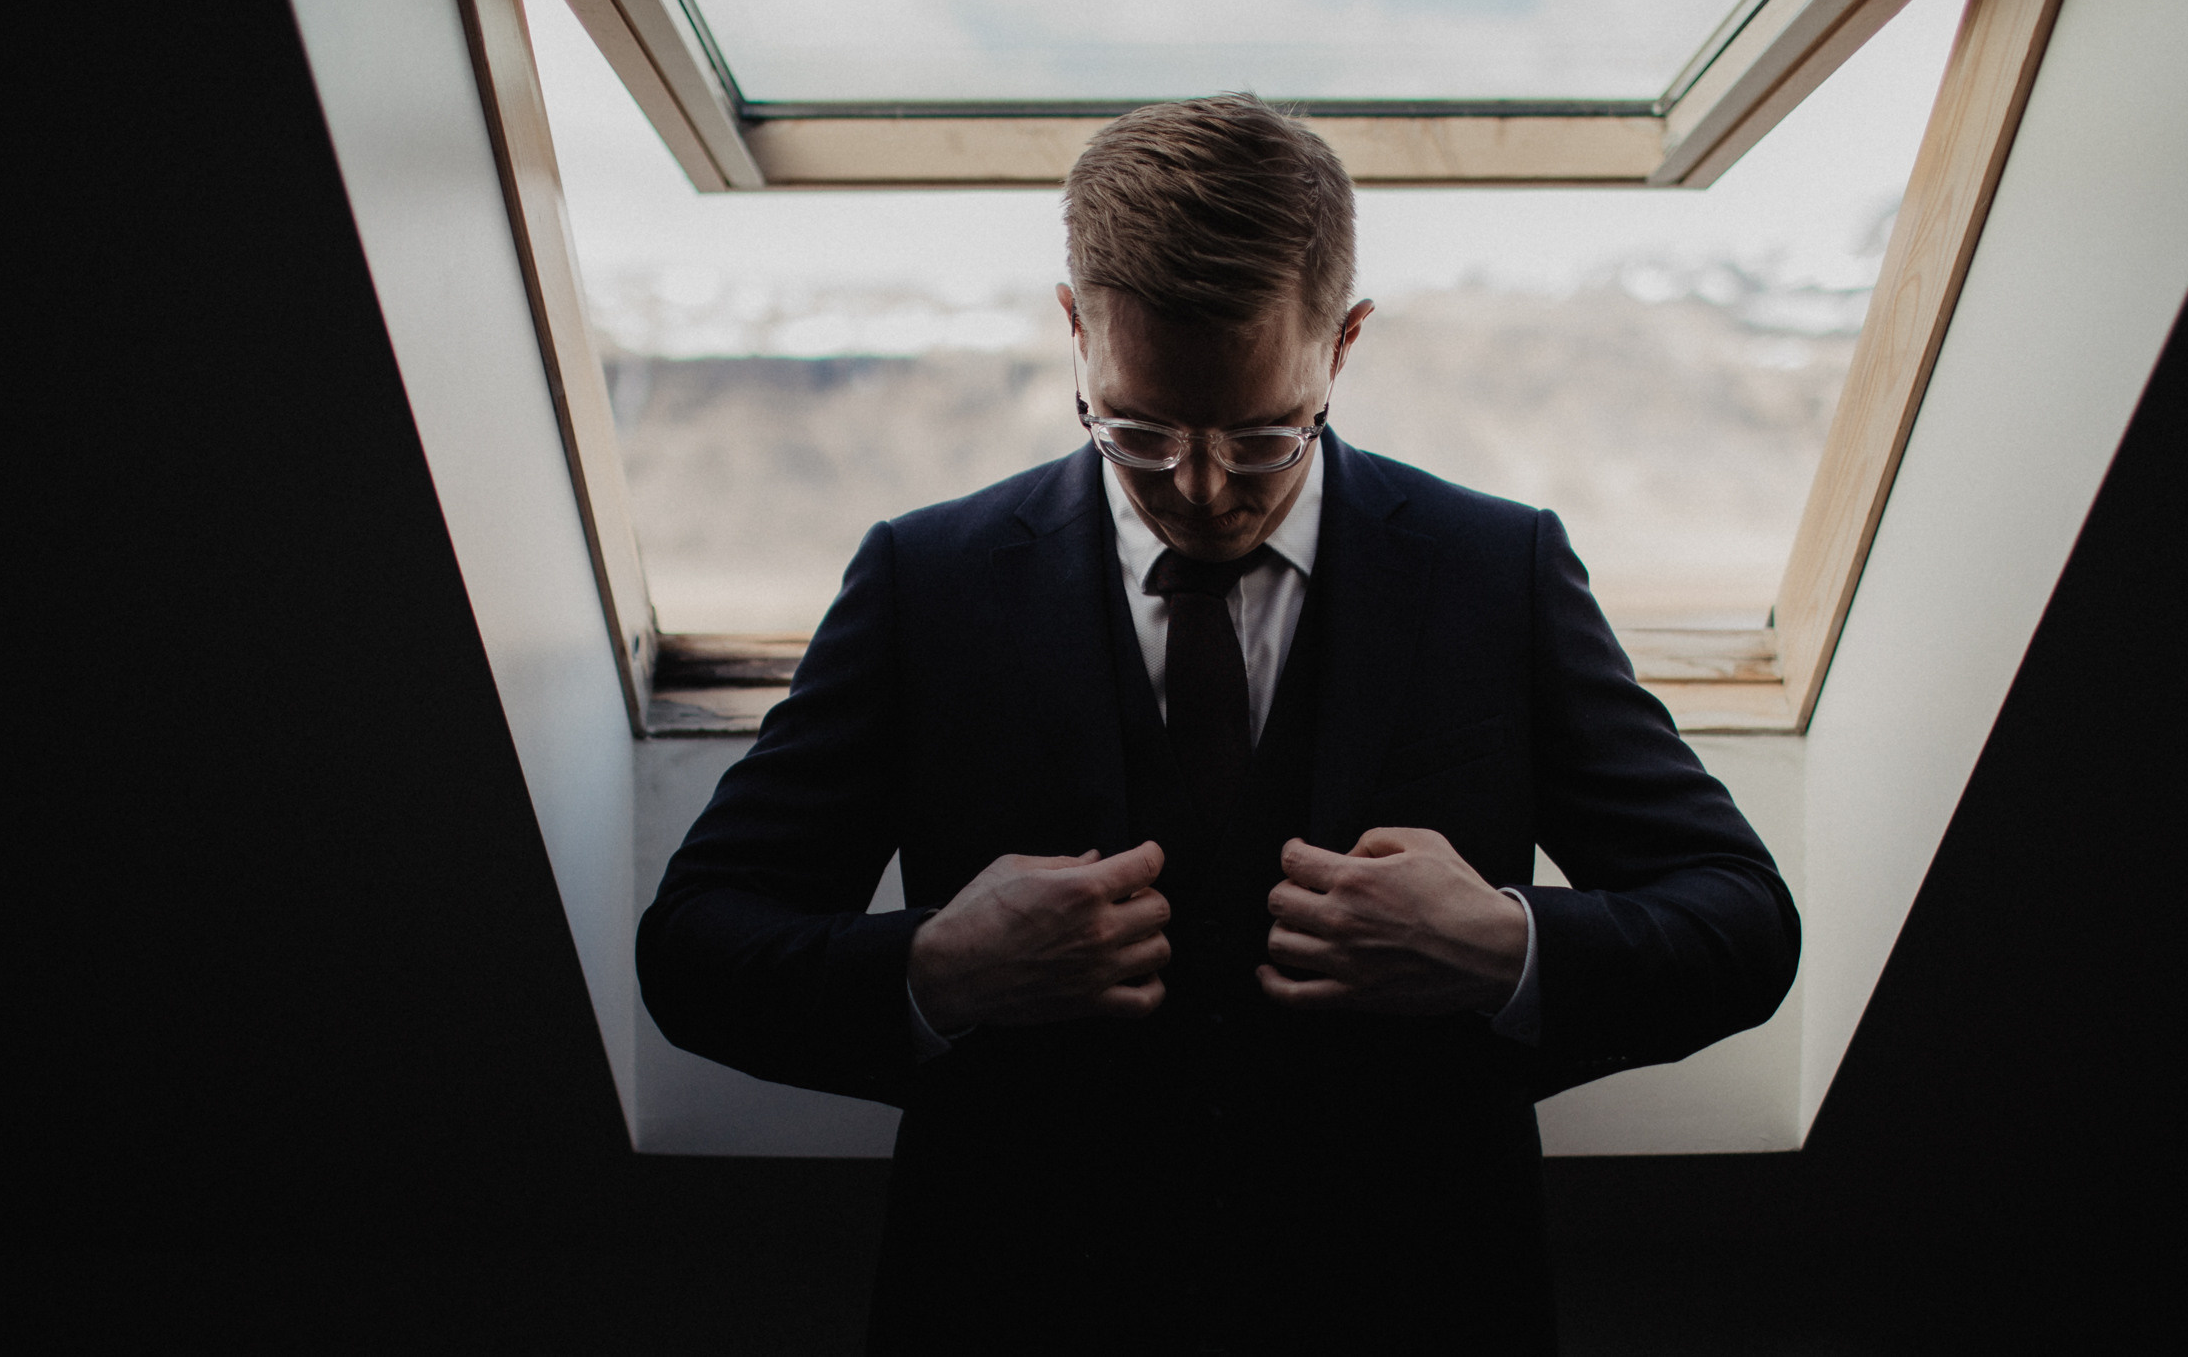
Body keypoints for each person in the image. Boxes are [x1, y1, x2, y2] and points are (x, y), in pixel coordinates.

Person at [637, 93, 1800, 1355]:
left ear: (1344, 343)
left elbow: (1741, 919)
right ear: (1074, 329)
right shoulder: (927, 581)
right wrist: (939, 970)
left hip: (1418, 1311)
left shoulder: (1495, 570)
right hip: (1015, 1311)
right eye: (1137, 432)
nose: (1199, 486)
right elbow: (696, 947)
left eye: (1262, 437)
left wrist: (1503, 947)